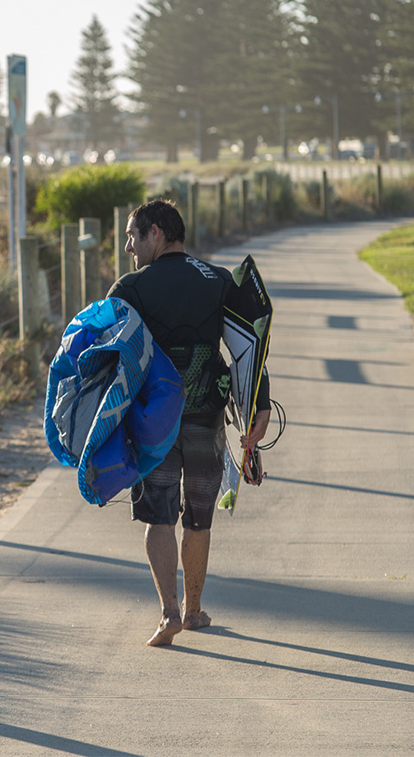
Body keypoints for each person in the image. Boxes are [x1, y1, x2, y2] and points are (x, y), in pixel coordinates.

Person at [106, 199, 270, 647]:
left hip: (153, 423)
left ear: (155, 233)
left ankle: (169, 614)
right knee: (199, 518)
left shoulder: (130, 288)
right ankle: (195, 611)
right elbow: (246, 348)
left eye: (132, 236)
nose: (128, 247)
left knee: (158, 516)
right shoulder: (217, 280)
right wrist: (260, 405)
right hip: (206, 416)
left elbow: (109, 361)